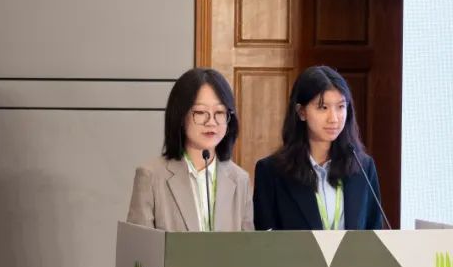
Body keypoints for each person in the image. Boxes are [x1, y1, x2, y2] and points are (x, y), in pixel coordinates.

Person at [253, 65, 384, 230]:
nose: (334, 118)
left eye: (341, 107)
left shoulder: (363, 167)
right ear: (301, 112)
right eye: (323, 108)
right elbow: (265, 239)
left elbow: (374, 233)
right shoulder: (271, 172)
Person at [127, 68, 253, 231]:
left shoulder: (240, 180)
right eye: (200, 112)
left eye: (220, 112)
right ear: (180, 116)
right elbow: (138, 245)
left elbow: (248, 245)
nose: (211, 122)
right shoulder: (151, 176)